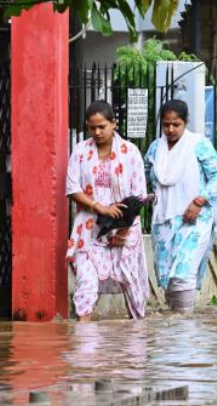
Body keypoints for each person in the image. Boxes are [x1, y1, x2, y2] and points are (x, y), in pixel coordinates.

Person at [65, 101, 150, 321]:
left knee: (132, 288)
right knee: (86, 284)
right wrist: (99, 207)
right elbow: (72, 188)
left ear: (114, 124)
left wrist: (123, 231)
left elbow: (139, 196)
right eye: (92, 128)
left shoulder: (130, 153)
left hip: (124, 228)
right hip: (89, 228)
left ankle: (136, 344)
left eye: (102, 126)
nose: (97, 132)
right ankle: (84, 343)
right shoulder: (81, 151)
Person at [145, 99, 217, 313]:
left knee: (184, 271)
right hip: (164, 220)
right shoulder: (155, 149)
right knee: (168, 277)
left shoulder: (198, 144)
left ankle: (185, 327)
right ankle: (173, 330)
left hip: (194, 220)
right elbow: (146, 175)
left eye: (176, 124)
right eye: (166, 124)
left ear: (185, 122)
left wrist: (199, 201)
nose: (170, 129)